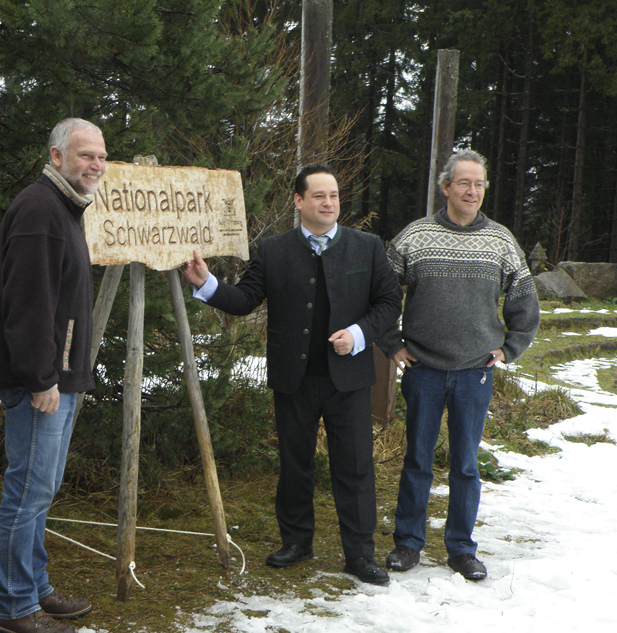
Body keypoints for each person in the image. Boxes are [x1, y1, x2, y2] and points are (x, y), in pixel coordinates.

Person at [182, 164, 402, 585]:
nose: (329, 203)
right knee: (295, 464)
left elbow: (389, 303)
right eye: (319, 196)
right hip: (294, 379)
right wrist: (207, 284)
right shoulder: (275, 250)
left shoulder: (367, 247)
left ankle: (359, 554)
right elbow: (246, 299)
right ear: (299, 201)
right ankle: (297, 541)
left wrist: (358, 335)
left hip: (349, 379)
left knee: (355, 468)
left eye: (334, 195)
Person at [378, 149, 539, 581]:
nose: (472, 191)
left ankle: (461, 548)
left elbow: (524, 301)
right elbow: (383, 294)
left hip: (475, 371)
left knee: (467, 465)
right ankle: (407, 543)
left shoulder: (501, 242)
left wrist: (509, 348)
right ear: (445, 186)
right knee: (417, 460)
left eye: (480, 184)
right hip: (423, 369)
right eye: (464, 182)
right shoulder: (415, 236)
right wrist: (392, 343)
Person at [0, 118, 107, 633]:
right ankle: (14, 608)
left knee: (40, 490)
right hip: (42, 380)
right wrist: (40, 377)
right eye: (84, 156)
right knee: (27, 492)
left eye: (101, 156)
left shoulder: (63, 208)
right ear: (56, 157)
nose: (95, 165)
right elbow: (30, 305)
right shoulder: (39, 209)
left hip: (59, 376)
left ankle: (34, 587)